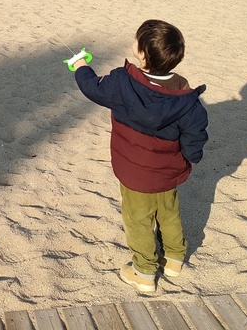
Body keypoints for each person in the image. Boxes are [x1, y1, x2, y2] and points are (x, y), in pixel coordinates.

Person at [72, 19, 208, 294]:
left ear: (141, 53)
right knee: (169, 213)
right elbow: (195, 133)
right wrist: (191, 156)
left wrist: (80, 67)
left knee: (138, 220)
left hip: (135, 173)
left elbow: (92, 87)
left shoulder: (122, 83)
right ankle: (174, 259)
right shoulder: (184, 93)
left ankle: (144, 271)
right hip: (167, 170)